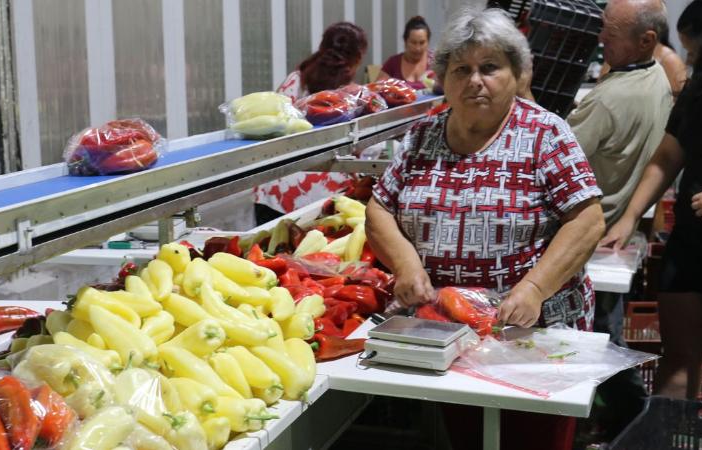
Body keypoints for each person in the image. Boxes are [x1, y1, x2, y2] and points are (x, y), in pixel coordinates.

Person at [366, 6, 605, 449]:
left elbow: (587, 220)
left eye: (490, 67)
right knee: (469, 434)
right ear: (443, 77)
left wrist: (534, 288)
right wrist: (405, 263)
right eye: (461, 69)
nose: (475, 80)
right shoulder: (423, 136)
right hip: (446, 330)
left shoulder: (545, 134)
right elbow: (379, 207)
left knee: (531, 437)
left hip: (532, 335)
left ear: (517, 74)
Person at [603, 0, 702, 407]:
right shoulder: (701, 93)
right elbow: (666, 158)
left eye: (696, 48)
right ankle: (669, 436)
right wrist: (629, 216)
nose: (688, 58)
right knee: (678, 358)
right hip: (688, 247)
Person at [565, 0, 673, 439]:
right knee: (604, 332)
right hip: (614, 232)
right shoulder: (657, 78)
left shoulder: (609, 99)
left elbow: (551, 158)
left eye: (610, 32)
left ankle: (632, 419)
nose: (600, 38)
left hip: (591, 235)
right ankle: (621, 419)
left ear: (646, 40)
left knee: (599, 338)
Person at [255, 23, 367, 224]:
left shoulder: (296, 79)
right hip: (320, 199)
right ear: (357, 58)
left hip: (275, 191)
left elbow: (272, 126)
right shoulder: (350, 94)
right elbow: (356, 145)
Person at [376, 16, 434, 90]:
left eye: (422, 43)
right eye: (413, 42)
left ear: (428, 42)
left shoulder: (435, 62)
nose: (417, 48)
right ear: (405, 41)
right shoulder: (393, 63)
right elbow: (376, 89)